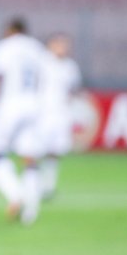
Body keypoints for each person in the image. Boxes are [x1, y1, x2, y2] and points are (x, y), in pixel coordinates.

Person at [0, 17, 47, 224]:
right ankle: (31, 211)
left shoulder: (4, 47)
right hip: (34, 105)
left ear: (10, 30)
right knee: (29, 158)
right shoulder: (37, 48)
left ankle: (16, 195)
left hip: (10, 105)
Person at [37, 33, 82, 199]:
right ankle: (34, 184)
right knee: (37, 150)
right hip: (42, 114)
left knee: (55, 151)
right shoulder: (42, 62)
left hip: (61, 115)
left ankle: (48, 186)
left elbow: (73, 91)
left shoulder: (71, 67)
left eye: (65, 44)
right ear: (51, 45)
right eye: (60, 44)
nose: (63, 48)